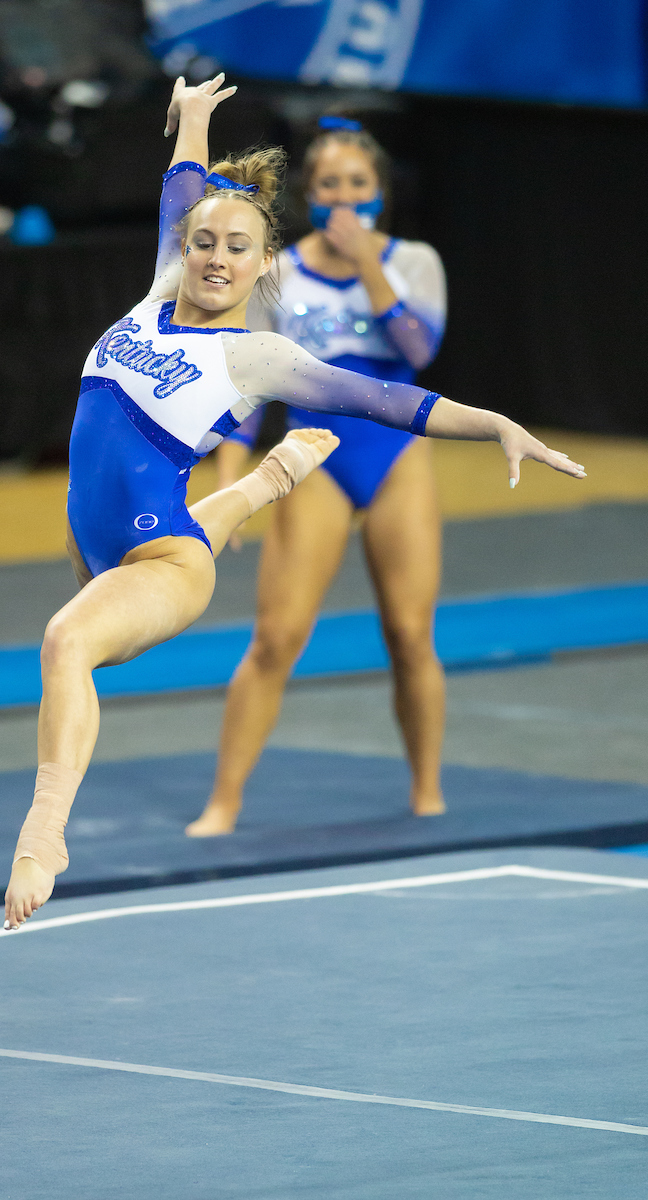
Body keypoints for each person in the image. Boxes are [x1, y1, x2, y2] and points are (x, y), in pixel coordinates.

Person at [4, 75, 585, 929]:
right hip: (91, 542)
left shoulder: (260, 358)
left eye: (237, 248)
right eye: (203, 242)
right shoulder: (159, 289)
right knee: (76, 639)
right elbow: (182, 190)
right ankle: (265, 483)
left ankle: (44, 833)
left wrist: (495, 420)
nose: (214, 257)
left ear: (262, 261)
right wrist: (195, 118)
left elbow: (387, 400)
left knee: (66, 642)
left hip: (162, 558)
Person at [186, 115, 449, 836]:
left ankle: (428, 790)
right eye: (329, 184)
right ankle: (224, 801)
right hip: (315, 455)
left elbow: (418, 349)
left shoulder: (414, 261)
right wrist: (230, 478)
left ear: (379, 193)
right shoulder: (279, 273)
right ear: (310, 190)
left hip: (397, 455)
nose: (343, 196)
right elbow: (247, 385)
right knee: (277, 636)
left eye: (357, 184)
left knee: (409, 631)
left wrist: (367, 261)